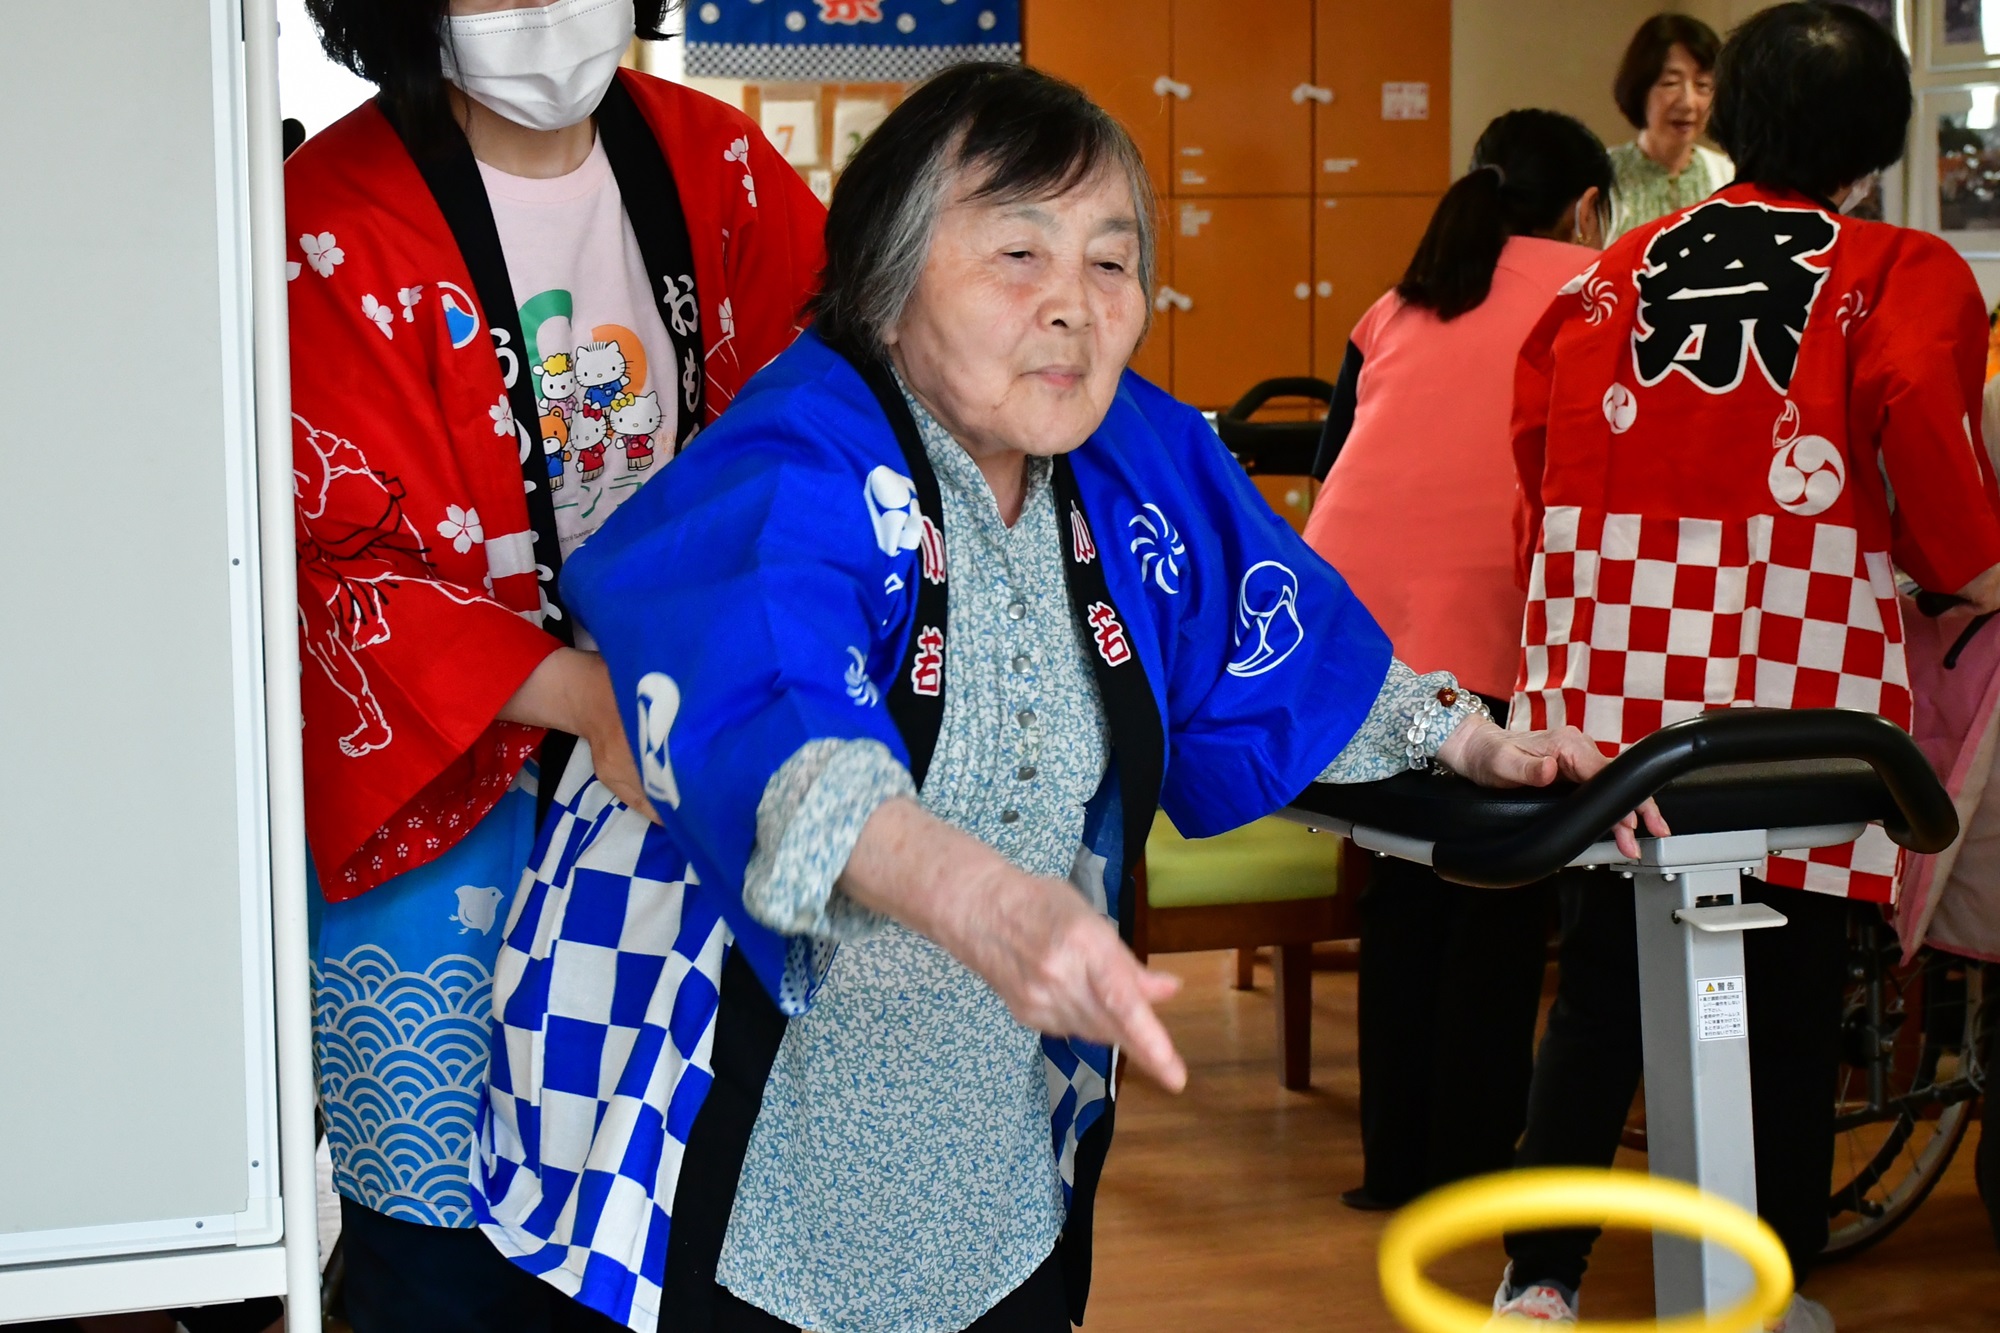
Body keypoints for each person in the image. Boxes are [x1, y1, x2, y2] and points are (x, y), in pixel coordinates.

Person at [464, 63, 1661, 1333]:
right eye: (1017, 253)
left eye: (1109, 261)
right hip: (734, 1113)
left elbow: (1269, 630)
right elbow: (774, 718)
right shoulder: (794, 456)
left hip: (988, 1133)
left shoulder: (1134, 452)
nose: (1072, 307)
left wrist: (1467, 736)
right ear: (886, 276)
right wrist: (988, 903)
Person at [285, 0, 824, 1327]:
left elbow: (836, 424)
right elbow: (338, 559)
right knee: (445, 1258)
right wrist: (591, 699)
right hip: (450, 798)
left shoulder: (718, 167)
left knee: (674, 1203)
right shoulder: (331, 220)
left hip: (689, 777)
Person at [1489, 6, 2000, 1330]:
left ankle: (1539, 1277)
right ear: (1876, 144)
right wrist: (1967, 568)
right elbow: (1939, 484)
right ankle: (1759, 1282)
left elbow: (1535, 457)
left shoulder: (1615, 269)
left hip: (1609, 676)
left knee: (1601, 980)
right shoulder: (1897, 269)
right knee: (1783, 984)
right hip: (1793, 686)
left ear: (1729, 116)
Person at [1301, 109, 1612, 1211]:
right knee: (1497, 903)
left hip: (1348, 645)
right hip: (1488, 631)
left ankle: (1395, 1167)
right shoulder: (1598, 287)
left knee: (1405, 890)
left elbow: (1336, 464)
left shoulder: (1398, 303)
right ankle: (1472, 1171)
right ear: (1587, 207)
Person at [1604, 14, 1731, 242]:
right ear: (1640, 89)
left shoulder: (1728, 175)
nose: (1688, 102)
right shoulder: (1604, 177)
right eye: (1670, 83)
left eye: (1702, 85)